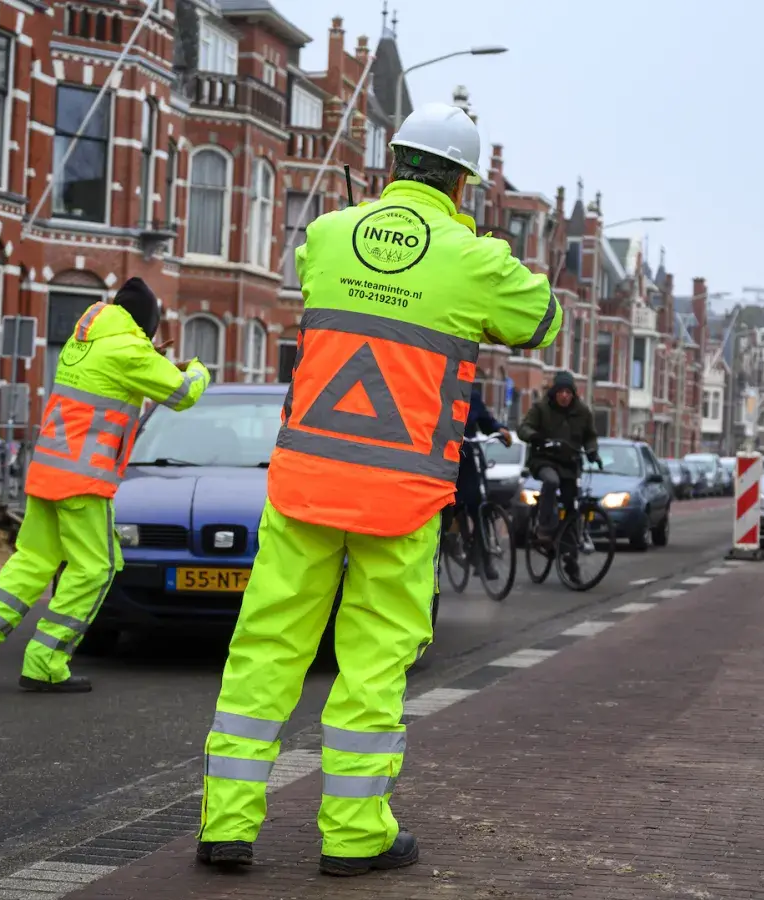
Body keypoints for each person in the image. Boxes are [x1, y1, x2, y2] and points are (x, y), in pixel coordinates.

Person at [195, 101, 561, 877]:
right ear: (463, 183)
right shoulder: (473, 258)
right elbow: (543, 322)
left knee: (264, 652)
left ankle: (226, 827)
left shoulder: (328, 235)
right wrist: (480, 252)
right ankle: (354, 836)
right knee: (370, 666)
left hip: (304, 486)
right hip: (400, 499)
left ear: (393, 161)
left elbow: (325, 288)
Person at [0, 277, 210, 693]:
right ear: (145, 325)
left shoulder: (82, 342)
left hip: (47, 469)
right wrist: (196, 368)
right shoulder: (129, 350)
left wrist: (149, 358)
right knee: (95, 568)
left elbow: (114, 377)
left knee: (33, 558)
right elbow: (182, 394)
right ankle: (46, 662)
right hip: (84, 479)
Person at [517, 370, 600, 548]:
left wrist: (592, 451)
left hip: (569, 463)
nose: (564, 396)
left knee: (572, 503)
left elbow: (590, 436)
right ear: (555, 392)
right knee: (552, 481)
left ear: (573, 394)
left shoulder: (583, 412)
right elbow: (524, 428)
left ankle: (570, 556)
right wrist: (535, 436)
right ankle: (544, 526)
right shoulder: (541, 408)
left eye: (568, 392)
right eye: (561, 392)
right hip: (543, 460)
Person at [444, 387, 513, 578]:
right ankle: (444, 546)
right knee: (449, 506)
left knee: (480, 506)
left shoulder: (471, 395)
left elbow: (486, 422)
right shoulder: (441, 390)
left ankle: (483, 559)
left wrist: (500, 430)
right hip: (449, 458)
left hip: (471, 457)